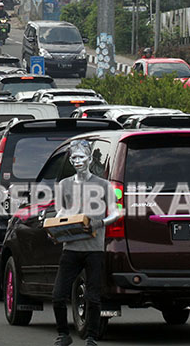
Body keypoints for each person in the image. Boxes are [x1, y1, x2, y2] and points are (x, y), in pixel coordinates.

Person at [50, 140, 120, 346]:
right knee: (58, 295)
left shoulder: (103, 185)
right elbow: (61, 211)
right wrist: (54, 227)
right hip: (71, 246)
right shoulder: (64, 185)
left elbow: (115, 213)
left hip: (94, 248)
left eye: (81, 157)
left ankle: (91, 336)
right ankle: (63, 334)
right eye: (74, 158)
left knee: (93, 296)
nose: (77, 161)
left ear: (89, 158)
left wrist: (100, 223)